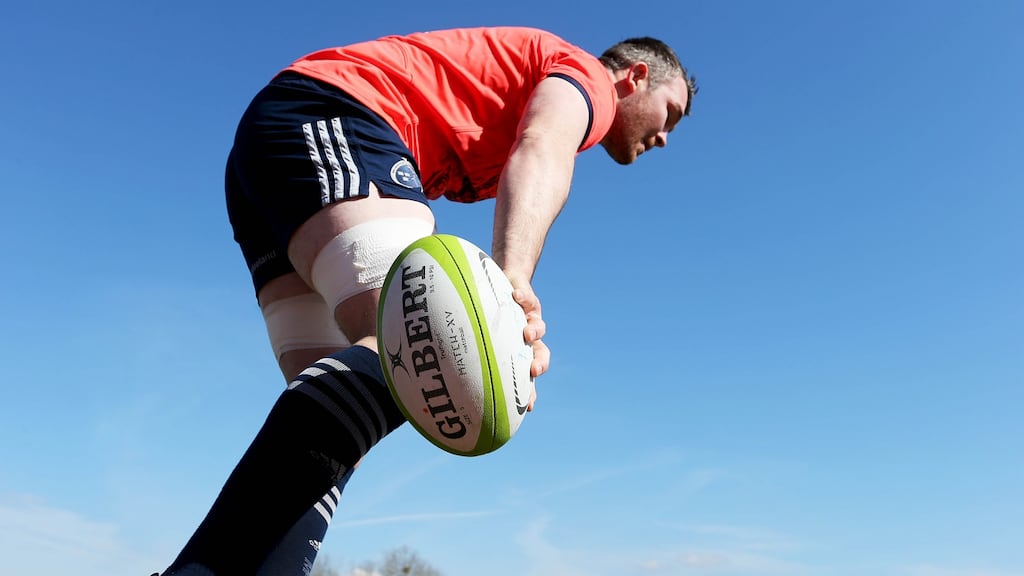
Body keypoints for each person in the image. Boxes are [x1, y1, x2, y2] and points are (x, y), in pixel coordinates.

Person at [160, 26, 696, 576]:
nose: (664, 138)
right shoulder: (587, 80)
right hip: (337, 112)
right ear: (633, 79)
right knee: (412, 349)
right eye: (670, 113)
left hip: (280, 145)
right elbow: (543, 145)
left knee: (341, 421)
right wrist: (510, 289)